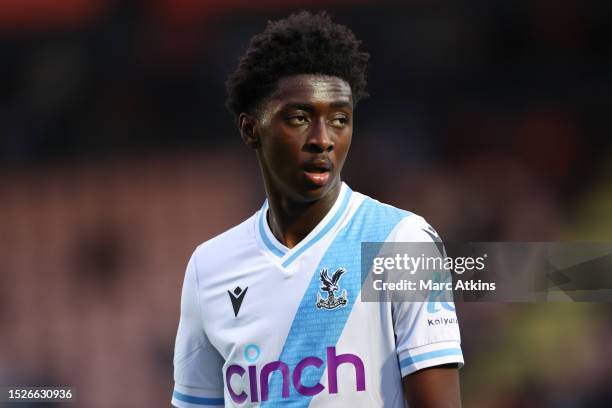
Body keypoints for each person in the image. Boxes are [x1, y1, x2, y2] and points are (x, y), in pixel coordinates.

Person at [172, 11, 463, 407]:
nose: (322, 140)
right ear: (250, 129)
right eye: (299, 118)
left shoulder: (402, 241)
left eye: (340, 119)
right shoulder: (209, 268)